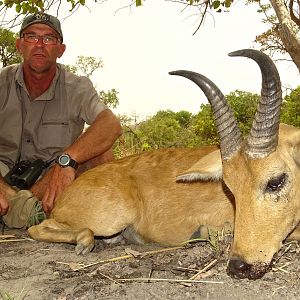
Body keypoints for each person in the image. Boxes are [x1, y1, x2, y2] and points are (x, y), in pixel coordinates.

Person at [0, 12, 122, 228]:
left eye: (49, 38)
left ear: (61, 50)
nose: (39, 44)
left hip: (50, 181)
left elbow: (110, 124)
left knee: (102, 153)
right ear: (19, 45)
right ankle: (21, 212)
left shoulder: (77, 87)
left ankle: (107, 221)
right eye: (31, 37)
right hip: (3, 176)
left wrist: (67, 160)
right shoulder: (2, 82)